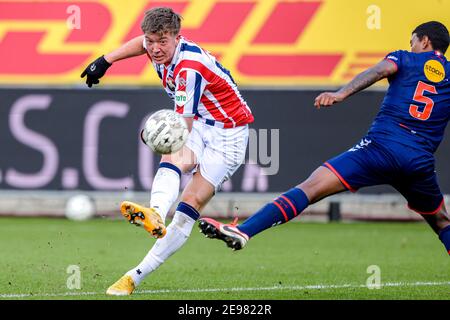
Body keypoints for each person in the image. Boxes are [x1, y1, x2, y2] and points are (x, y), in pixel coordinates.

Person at [199, 21, 450, 257]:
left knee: (310, 188)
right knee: (441, 221)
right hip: (419, 162)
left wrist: (341, 93)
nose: (411, 47)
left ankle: (244, 230)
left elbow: (379, 70)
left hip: (380, 149)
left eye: (413, 42)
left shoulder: (405, 58)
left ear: (425, 41)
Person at [81, 7, 254, 295]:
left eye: (162, 41)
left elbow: (180, 129)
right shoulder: (154, 46)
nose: (155, 48)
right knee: (173, 159)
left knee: (189, 206)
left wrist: (154, 135)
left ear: (177, 38)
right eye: (151, 41)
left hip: (228, 134)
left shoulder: (188, 68)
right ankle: (156, 214)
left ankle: (133, 276)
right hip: (201, 121)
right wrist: (105, 60)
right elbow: (139, 44)